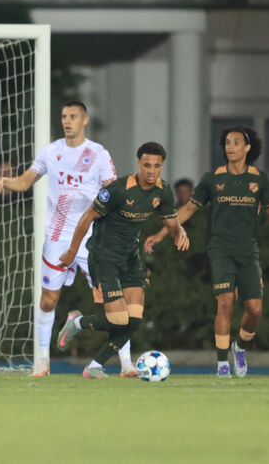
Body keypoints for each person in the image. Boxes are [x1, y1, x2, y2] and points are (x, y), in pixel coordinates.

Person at [145, 125, 269, 378]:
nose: (230, 147)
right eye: (227, 143)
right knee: (225, 303)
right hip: (220, 250)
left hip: (248, 252)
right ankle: (221, 365)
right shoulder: (213, 178)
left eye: (236, 142)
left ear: (247, 147)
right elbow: (187, 210)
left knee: (254, 310)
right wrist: (162, 234)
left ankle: (239, 346)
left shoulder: (261, 179)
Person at [0, 101, 124, 378]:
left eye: (73, 116)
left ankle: (128, 364)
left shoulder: (97, 154)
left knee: (113, 301)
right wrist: (4, 181)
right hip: (58, 239)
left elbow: (114, 192)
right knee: (48, 300)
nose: (67, 121)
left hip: (91, 239)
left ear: (85, 119)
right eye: (63, 116)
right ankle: (42, 361)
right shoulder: (51, 152)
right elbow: (24, 182)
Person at [56, 142, 188, 378]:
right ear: (139, 164)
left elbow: (171, 223)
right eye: (146, 165)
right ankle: (78, 323)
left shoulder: (164, 192)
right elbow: (87, 217)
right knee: (118, 320)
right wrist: (73, 251)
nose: (151, 171)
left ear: (162, 166)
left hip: (129, 258)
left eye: (156, 166)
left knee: (134, 320)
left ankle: (95, 366)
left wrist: (181, 233)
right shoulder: (118, 190)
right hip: (103, 257)